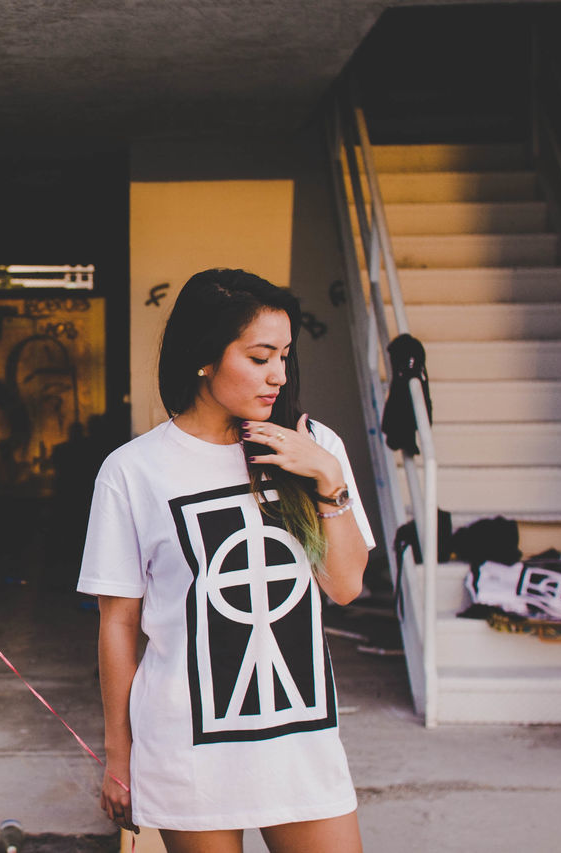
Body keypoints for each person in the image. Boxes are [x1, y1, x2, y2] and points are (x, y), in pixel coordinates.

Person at [76, 269, 373, 853]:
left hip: (299, 739)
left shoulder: (314, 448)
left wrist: (329, 481)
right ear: (204, 358)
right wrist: (119, 754)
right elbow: (118, 622)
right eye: (260, 356)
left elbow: (344, 586)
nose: (279, 375)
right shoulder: (133, 470)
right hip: (188, 746)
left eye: (285, 356)